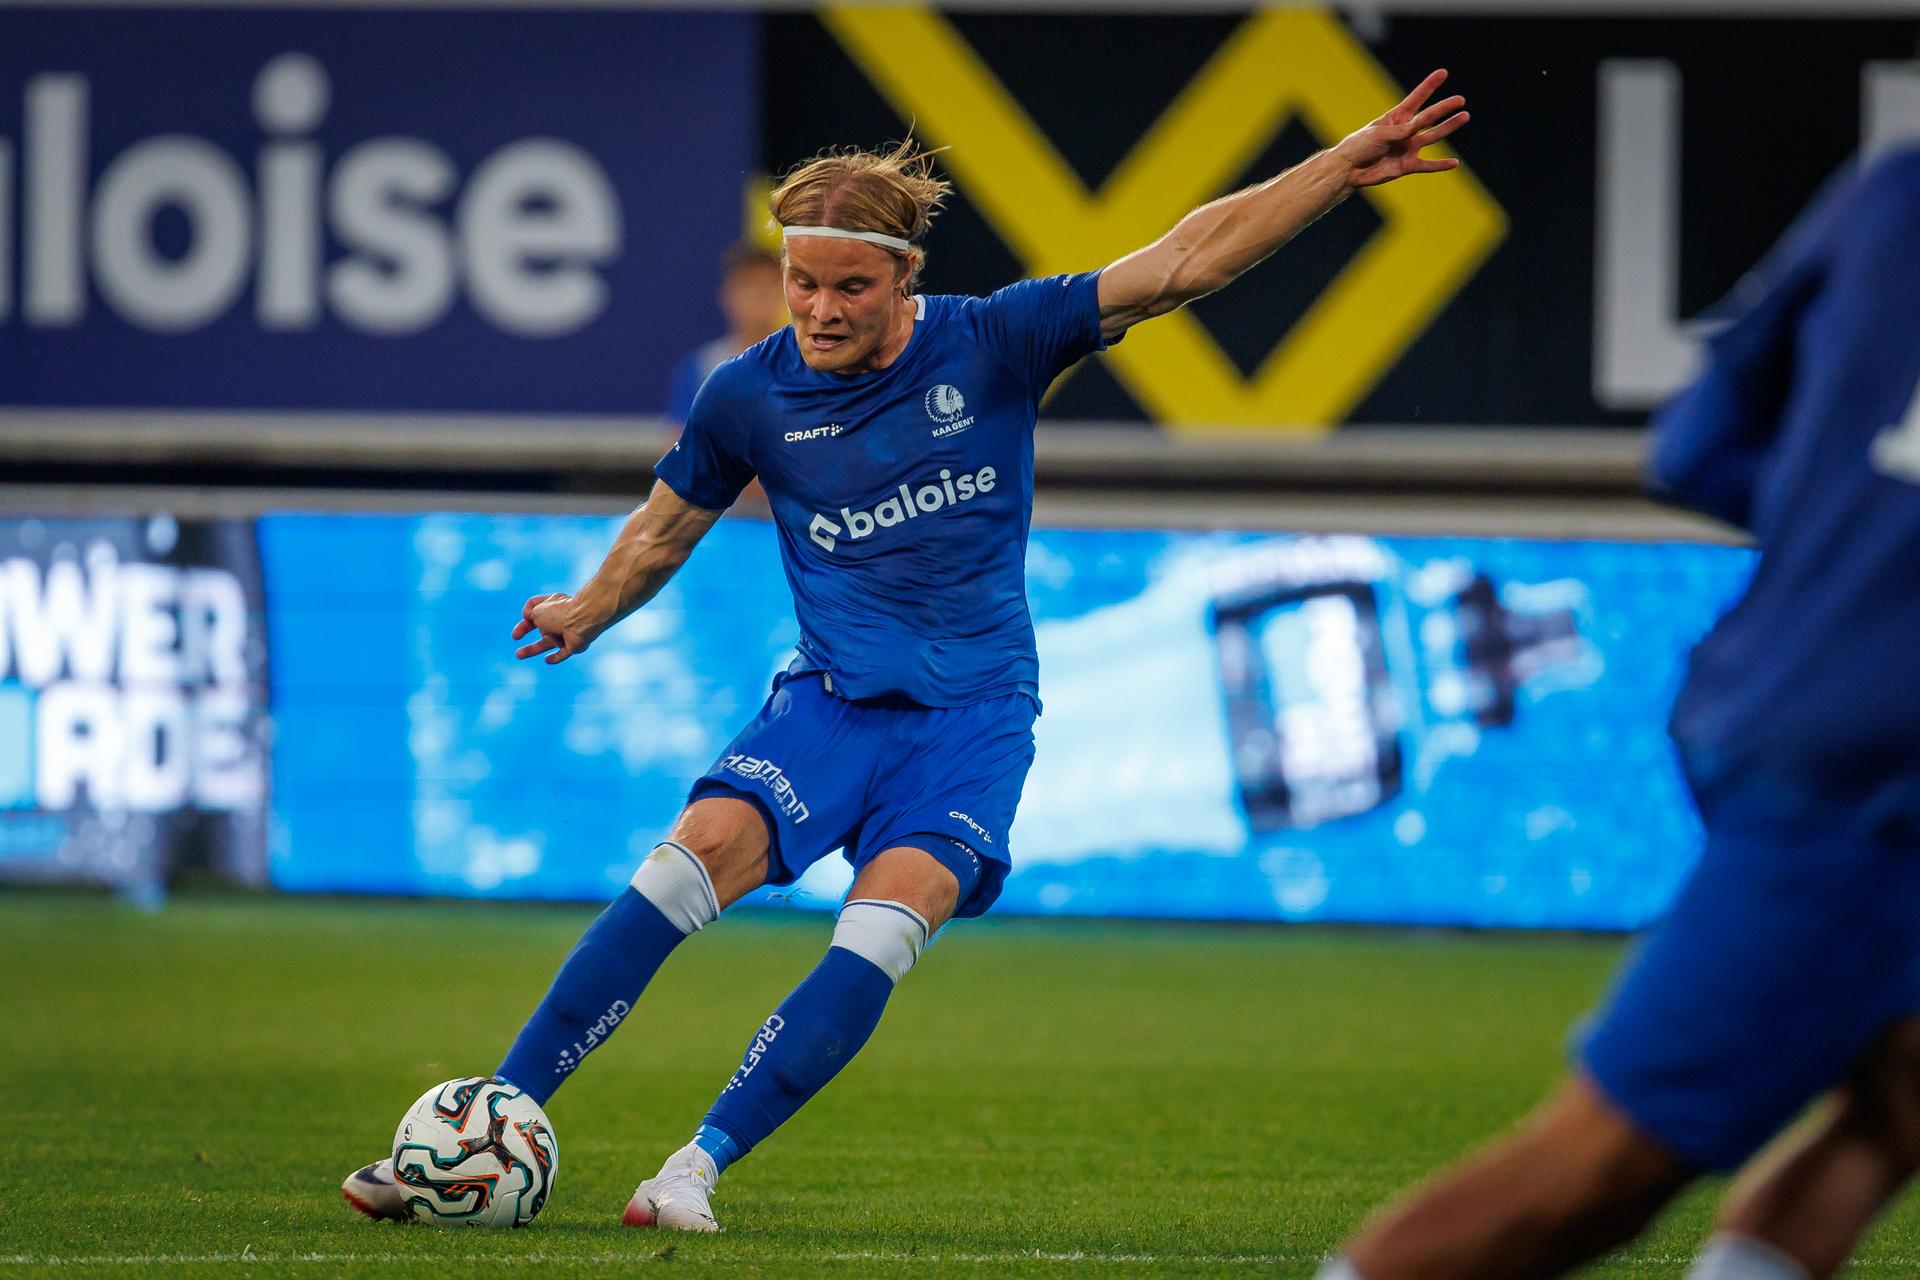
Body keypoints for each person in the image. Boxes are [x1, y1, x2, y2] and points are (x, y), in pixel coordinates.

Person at [342, 72, 1471, 1232]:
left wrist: (1338, 167)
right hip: (830, 703)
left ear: (904, 279)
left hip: (973, 721)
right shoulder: (747, 395)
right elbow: (665, 526)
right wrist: (590, 606)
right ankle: (484, 1127)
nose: (820, 309)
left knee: (886, 922)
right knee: (692, 855)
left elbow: (1184, 261)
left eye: (849, 286)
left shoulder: (998, 339)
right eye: (803, 282)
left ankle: (693, 1167)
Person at [1320, 143, 1920, 1280]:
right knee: (1596, 1174)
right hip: (1879, 768)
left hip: (1808, 702)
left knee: (1898, 1114)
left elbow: (1695, 446)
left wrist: (1845, 536)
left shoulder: (1895, 190)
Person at [665, 244, 788, 428]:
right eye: (750, 284)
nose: (761, 294)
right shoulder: (701, 368)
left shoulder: (805, 364)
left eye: (770, 285)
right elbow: (680, 437)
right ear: (728, 294)